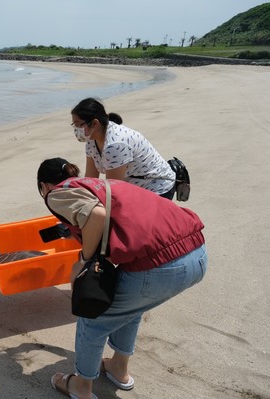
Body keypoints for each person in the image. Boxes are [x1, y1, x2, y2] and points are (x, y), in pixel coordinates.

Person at [37, 157, 207, 399]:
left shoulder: (56, 193)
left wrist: (82, 263)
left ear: (43, 185)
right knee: (129, 308)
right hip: (196, 252)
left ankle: (81, 386)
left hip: (163, 266)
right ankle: (118, 368)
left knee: (92, 318)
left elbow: (95, 215)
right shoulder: (96, 184)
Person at [71, 97, 176, 199]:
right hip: (133, 185)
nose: (76, 130)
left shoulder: (115, 145)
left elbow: (113, 189)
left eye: (79, 125)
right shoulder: (91, 141)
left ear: (95, 123)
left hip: (156, 186)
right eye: (74, 125)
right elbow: (91, 178)